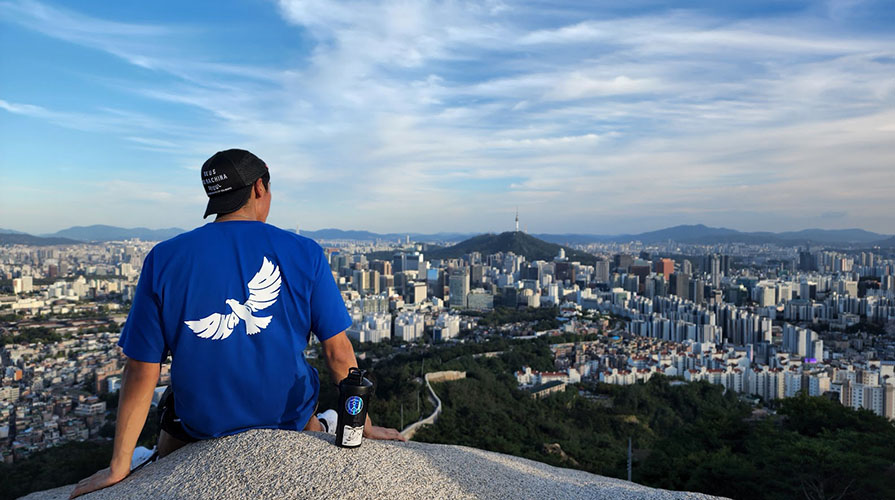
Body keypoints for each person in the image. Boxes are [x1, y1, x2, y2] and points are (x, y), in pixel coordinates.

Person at [70, 149, 405, 499]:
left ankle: (157, 458)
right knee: (304, 399)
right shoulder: (304, 252)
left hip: (202, 426)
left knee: (171, 405)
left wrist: (118, 466)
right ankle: (318, 425)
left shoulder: (165, 257)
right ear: (260, 188)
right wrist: (361, 426)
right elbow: (338, 354)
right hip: (288, 416)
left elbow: (142, 369)